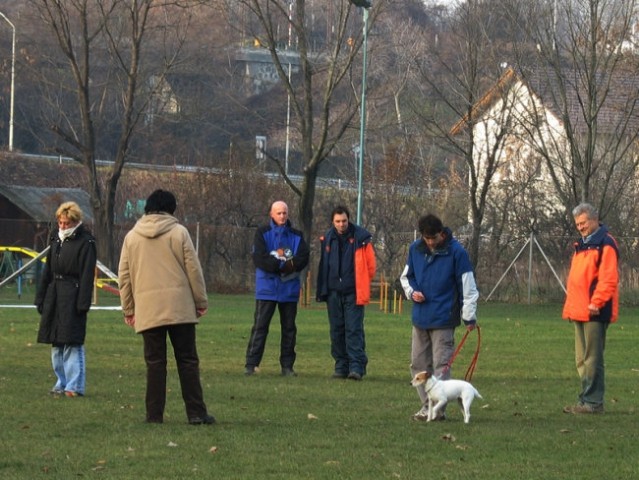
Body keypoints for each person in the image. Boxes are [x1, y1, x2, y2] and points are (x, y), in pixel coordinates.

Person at [118, 189, 214, 425]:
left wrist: (129, 309)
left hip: (148, 308)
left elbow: (124, 276)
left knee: (155, 364)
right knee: (188, 361)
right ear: (171, 209)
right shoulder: (179, 232)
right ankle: (196, 413)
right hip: (179, 307)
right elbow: (194, 269)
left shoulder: (131, 237)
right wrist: (200, 301)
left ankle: (154, 416)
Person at [400, 213, 479, 421]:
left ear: (442, 233)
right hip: (420, 317)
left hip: (444, 319)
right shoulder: (415, 249)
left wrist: (469, 316)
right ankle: (427, 406)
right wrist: (412, 292)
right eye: (426, 239)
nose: (430, 243)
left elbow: (468, 286)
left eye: (433, 238)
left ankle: (437, 410)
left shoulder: (457, 253)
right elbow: (407, 277)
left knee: (441, 365)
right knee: (418, 364)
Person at [35, 201, 97, 397]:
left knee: (72, 342)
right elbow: (48, 269)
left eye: (66, 223)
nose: (62, 226)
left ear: (75, 222)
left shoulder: (86, 242)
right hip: (54, 293)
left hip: (73, 293)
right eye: (60, 223)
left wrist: (83, 303)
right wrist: (41, 296)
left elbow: (87, 275)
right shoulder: (55, 239)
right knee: (56, 342)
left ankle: (74, 386)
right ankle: (61, 382)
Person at [562, 203, 619, 414]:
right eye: (577, 224)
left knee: (593, 358)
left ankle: (593, 403)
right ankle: (585, 400)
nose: (580, 227)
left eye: (583, 223)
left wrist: (597, 302)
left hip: (595, 311)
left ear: (594, 220)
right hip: (579, 309)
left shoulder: (606, 243)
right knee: (581, 359)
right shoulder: (582, 244)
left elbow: (608, 278)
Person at [245, 201, 310, 377]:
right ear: (271, 214)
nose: (282, 216)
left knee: (289, 329)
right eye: (279, 213)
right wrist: (283, 266)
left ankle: (287, 366)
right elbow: (260, 258)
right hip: (267, 288)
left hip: (289, 290)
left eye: (285, 213)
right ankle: (251, 364)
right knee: (260, 327)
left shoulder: (297, 236)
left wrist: (286, 266)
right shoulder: (262, 233)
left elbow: (303, 258)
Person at [316, 206, 376, 380]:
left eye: (344, 221)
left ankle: (356, 367)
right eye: (337, 221)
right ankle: (341, 366)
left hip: (354, 292)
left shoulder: (361, 238)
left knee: (353, 330)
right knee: (336, 330)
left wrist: (363, 281)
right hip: (333, 292)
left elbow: (370, 266)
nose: (341, 224)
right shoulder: (327, 238)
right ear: (333, 222)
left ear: (348, 220)